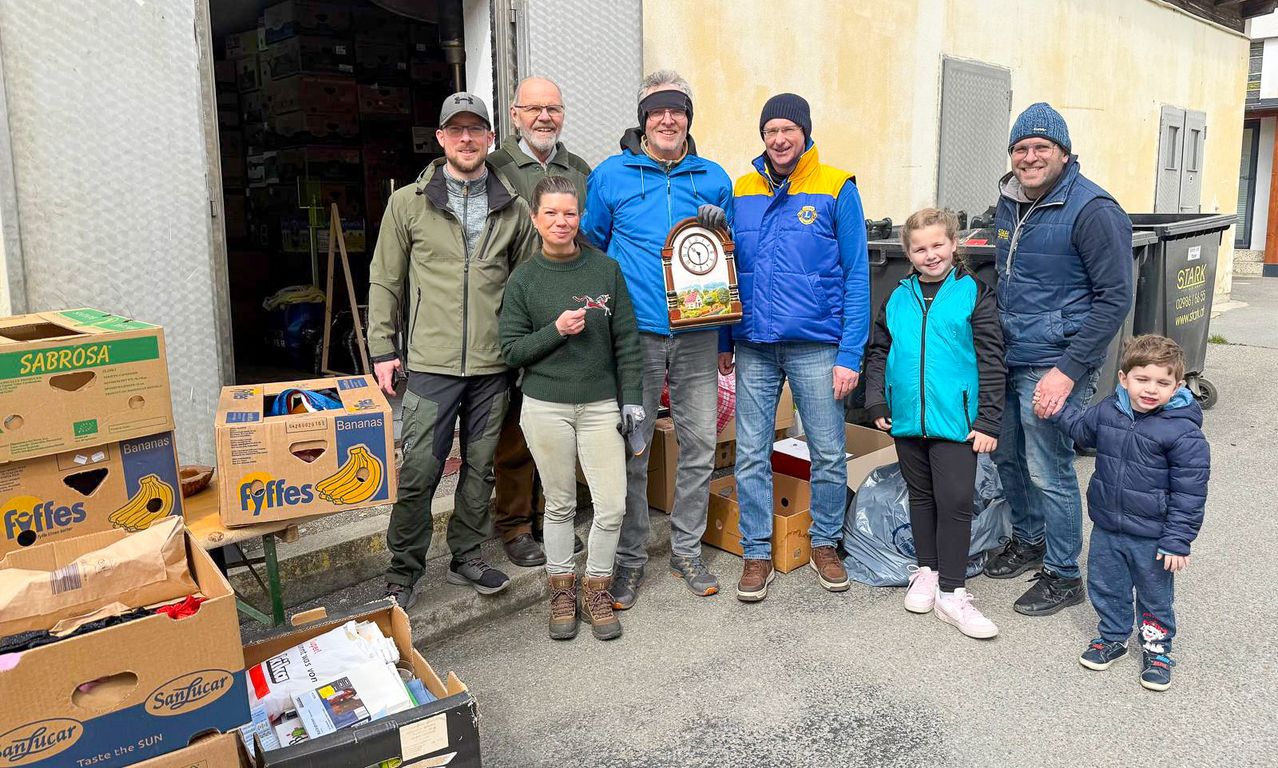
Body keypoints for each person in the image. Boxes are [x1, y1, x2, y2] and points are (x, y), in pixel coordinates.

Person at [367, 92, 537, 610]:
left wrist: (528, 352)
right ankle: (404, 569)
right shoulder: (409, 203)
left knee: (480, 468)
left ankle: (467, 556)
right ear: (441, 139)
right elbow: (385, 280)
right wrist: (382, 348)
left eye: (476, 129)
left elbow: (529, 283)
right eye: (456, 129)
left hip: (492, 367)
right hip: (430, 365)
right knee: (419, 469)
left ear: (490, 137)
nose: (467, 138)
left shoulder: (513, 206)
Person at [581, 70, 734, 609]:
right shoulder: (611, 176)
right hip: (634, 337)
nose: (667, 119)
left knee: (698, 447)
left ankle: (687, 551)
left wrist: (722, 228)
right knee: (633, 449)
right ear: (643, 120)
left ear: (689, 117)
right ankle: (629, 559)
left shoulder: (714, 178)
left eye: (678, 109)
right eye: (656, 111)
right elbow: (593, 246)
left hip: (697, 334)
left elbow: (727, 260)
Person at [984, 102, 1135, 617]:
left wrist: (1067, 371)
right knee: (1008, 456)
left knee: (1048, 467)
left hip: (1054, 359)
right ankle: (1029, 540)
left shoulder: (1094, 210)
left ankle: (1063, 572)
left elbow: (1115, 298)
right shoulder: (1010, 200)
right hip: (1008, 352)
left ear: (1063, 153)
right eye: (1020, 148)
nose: (1029, 157)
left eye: (1040, 147)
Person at [720, 93, 868, 601]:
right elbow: (726, 271)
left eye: (788, 129)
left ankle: (825, 542)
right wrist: (724, 339)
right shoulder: (741, 188)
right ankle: (757, 551)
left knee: (827, 450)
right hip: (755, 346)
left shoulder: (836, 186)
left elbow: (857, 274)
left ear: (805, 133)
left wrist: (851, 353)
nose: (779, 139)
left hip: (816, 345)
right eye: (769, 131)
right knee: (751, 453)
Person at [500, 175, 644, 641]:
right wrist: (556, 330)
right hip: (545, 406)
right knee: (559, 504)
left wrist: (634, 404)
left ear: (580, 217)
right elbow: (511, 352)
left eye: (570, 213)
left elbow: (627, 344)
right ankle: (561, 590)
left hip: (602, 404)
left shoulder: (605, 271)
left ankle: (596, 587)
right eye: (551, 214)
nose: (561, 221)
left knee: (612, 504)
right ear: (535, 218)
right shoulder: (524, 279)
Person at [863, 208, 1005, 638]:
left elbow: (991, 359)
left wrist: (989, 421)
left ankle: (953, 591)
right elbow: (878, 351)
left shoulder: (973, 293)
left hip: (957, 421)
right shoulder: (898, 296)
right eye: (920, 248)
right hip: (907, 418)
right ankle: (926, 571)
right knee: (921, 498)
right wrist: (874, 401)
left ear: (954, 245)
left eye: (937, 245)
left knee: (956, 500)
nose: (930, 255)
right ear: (908, 252)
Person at [1049, 335, 1209, 690]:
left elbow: (1190, 491)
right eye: (1142, 379)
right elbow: (1082, 430)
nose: (1151, 389)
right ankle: (1112, 637)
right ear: (1124, 378)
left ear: (1177, 386)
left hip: (1154, 535)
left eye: (1163, 383)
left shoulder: (1182, 432)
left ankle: (1156, 649)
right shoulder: (1109, 410)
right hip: (1108, 524)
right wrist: (1058, 409)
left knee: (1154, 593)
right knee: (1107, 585)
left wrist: (1178, 540)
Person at [487, 76, 594, 568]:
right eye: (534, 109)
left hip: (570, 317)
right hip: (516, 314)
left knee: (556, 428)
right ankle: (513, 525)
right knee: (515, 430)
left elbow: (593, 240)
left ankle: (553, 515)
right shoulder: (495, 169)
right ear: (514, 114)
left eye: (553, 108)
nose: (544, 117)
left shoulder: (579, 170)